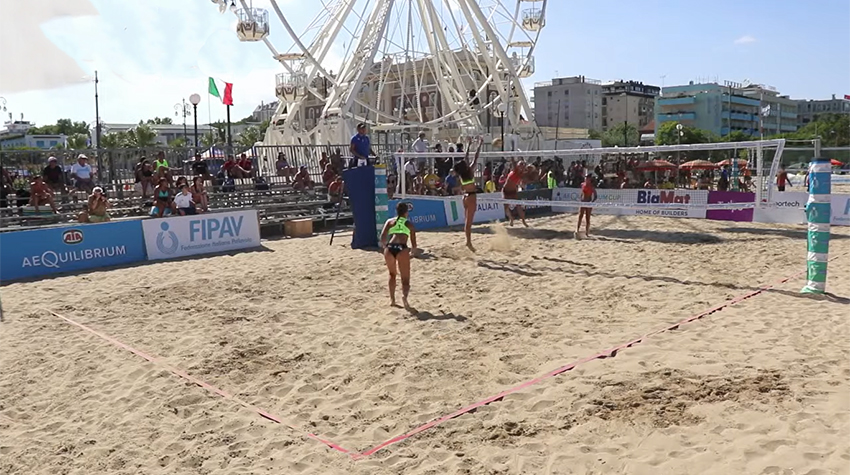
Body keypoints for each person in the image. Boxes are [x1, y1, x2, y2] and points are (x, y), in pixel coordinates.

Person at [379, 201, 418, 307]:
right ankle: (404, 298)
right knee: (405, 279)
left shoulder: (390, 221)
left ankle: (392, 300)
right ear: (406, 212)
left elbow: (382, 238)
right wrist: (412, 253)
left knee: (392, 274)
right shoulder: (409, 224)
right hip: (402, 248)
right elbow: (414, 245)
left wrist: (385, 247)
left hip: (390, 248)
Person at [454, 136, 484, 251]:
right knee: (469, 222)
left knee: (467, 220)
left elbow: (466, 158)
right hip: (471, 196)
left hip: (465, 196)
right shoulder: (470, 172)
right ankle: (468, 242)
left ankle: (468, 241)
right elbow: (475, 158)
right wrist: (479, 145)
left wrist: (469, 145)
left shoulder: (462, 174)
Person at [503, 158, 527, 227]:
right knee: (505, 207)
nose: (519, 166)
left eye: (521, 165)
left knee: (518, 206)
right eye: (519, 164)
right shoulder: (515, 170)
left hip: (513, 191)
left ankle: (523, 221)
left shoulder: (520, 173)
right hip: (505, 190)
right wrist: (512, 155)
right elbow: (514, 163)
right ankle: (511, 219)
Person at [576, 173, 598, 239]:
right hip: (582, 202)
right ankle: (577, 230)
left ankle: (587, 232)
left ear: (589, 179)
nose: (586, 179)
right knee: (580, 216)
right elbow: (582, 193)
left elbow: (595, 195)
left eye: (587, 178)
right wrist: (580, 199)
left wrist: (592, 202)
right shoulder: (582, 184)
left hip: (588, 203)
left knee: (587, 218)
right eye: (585, 178)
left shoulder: (591, 186)